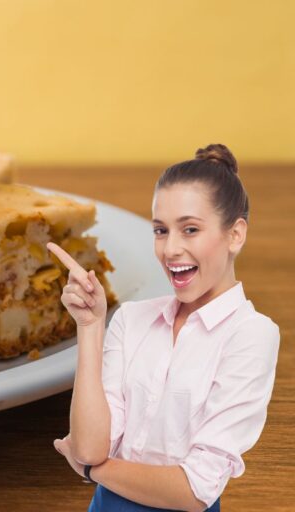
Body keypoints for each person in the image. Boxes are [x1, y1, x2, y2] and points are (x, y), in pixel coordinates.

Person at [49, 144, 280, 511]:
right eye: (160, 230)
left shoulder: (251, 335)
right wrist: (91, 326)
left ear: (235, 234)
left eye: (190, 229)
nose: (170, 248)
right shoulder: (130, 319)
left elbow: (194, 491)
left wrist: (94, 471)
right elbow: (91, 446)